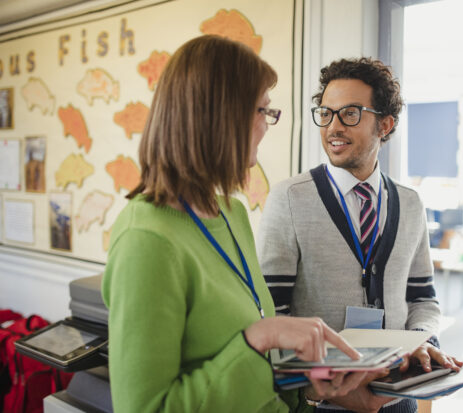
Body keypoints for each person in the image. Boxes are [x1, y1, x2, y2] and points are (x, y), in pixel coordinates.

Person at [102, 35, 369, 413]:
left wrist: (316, 389)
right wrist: (258, 337)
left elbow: (258, 376)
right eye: (262, 110)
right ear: (219, 115)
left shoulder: (233, 214)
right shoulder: (146, 238)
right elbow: (146, 408)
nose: (267, 124)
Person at [258, 57, 463, 412]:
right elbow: (273, 312)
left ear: (385, 124)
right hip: (326, 400)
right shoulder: (289, 198)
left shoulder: (411, 203)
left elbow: (423, 299)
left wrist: (419, 342)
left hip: (399, 396)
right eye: (326, 113)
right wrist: (322, 382)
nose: (333, 127)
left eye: (350, 114)